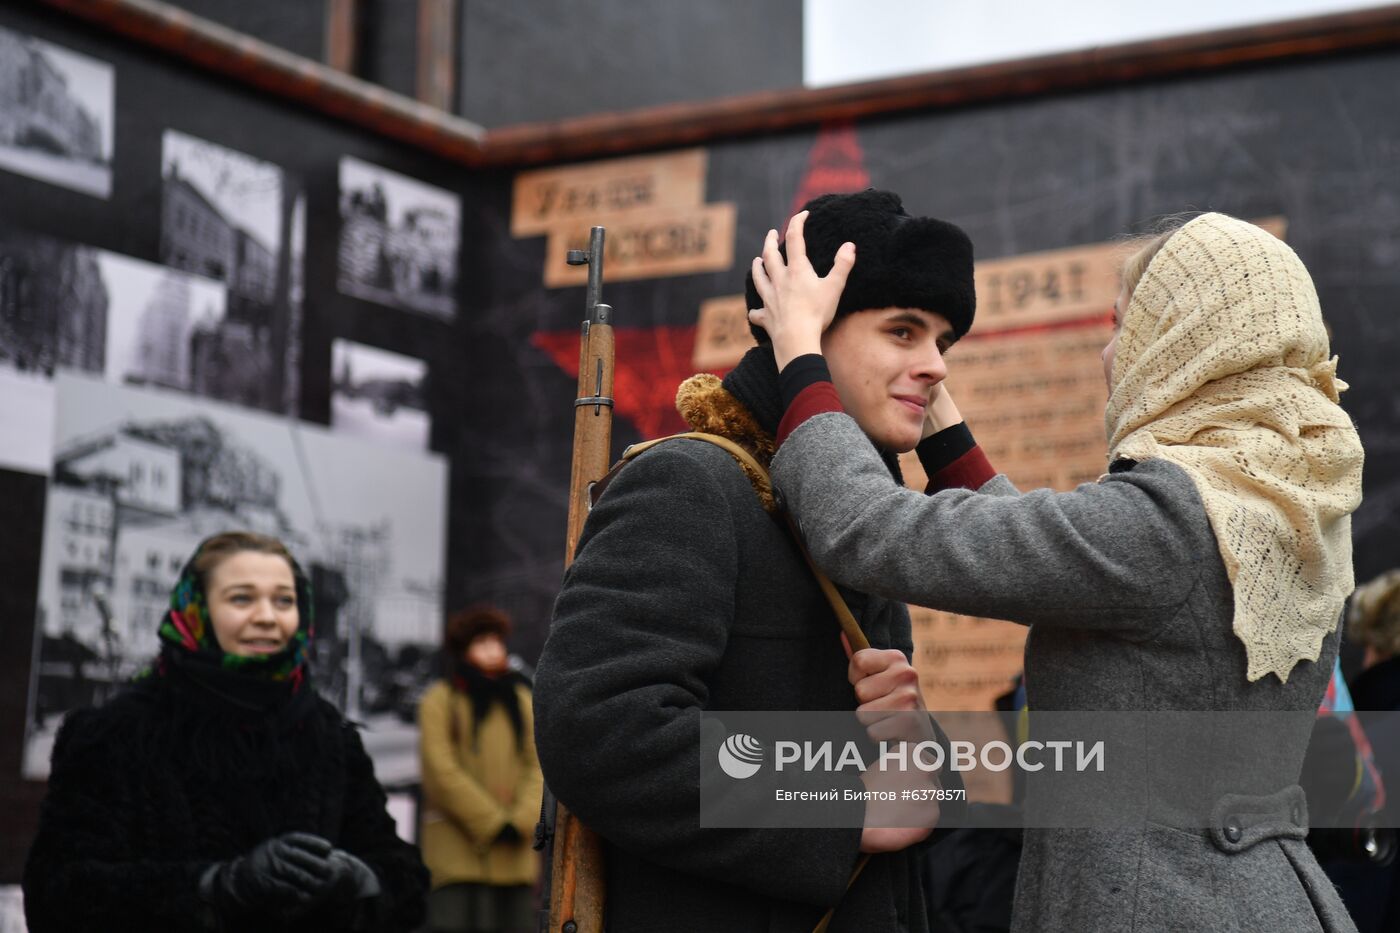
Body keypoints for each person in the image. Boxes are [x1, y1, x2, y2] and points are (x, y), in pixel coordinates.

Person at [750, 210, 1366, 931]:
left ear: (1182, 341)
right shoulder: (1276, 506)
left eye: (1121, 326)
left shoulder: (1169, 519)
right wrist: (930, 403)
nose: (1108, 354)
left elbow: (867, 529)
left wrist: (801, 351)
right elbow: (1044, 557)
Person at [533, 189, 974, 932]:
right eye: (903, 331)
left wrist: (915, 740)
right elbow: (601, 728)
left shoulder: (860, 521)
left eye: (942, 341)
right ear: (809, 332)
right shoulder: (691, 485)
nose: (933, 366)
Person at [23, 531, 429, 932]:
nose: (267, 617)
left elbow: (405, 880)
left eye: (283, 600)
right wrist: (216, 885)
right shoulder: (116, 735)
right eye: (242, 598)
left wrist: (357, 880)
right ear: (197, 609)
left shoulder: (329, 739)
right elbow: (57, 895)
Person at [418, 605, 542, 933]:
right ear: (464, 649)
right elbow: (440, 771)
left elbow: (537, 765)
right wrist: (492, 821)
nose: (493, 650)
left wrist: (521, 819)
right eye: (482, 642)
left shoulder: (519, 698)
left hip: (514, 854)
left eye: (497, 641)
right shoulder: (440, 700)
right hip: (456, 854)